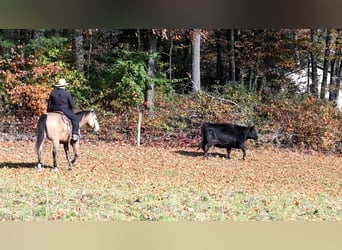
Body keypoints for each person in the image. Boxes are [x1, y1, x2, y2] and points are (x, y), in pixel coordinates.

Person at [47, 78, 80, 142]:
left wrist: (49, 112)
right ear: (64, 86)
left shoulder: (53, 93)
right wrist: (70, 110)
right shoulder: (67, 93)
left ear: (57, 86)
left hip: (53, 110)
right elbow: (71, 104)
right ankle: (74, 134)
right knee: (75, 119)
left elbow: (49, 105)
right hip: (64, 110)